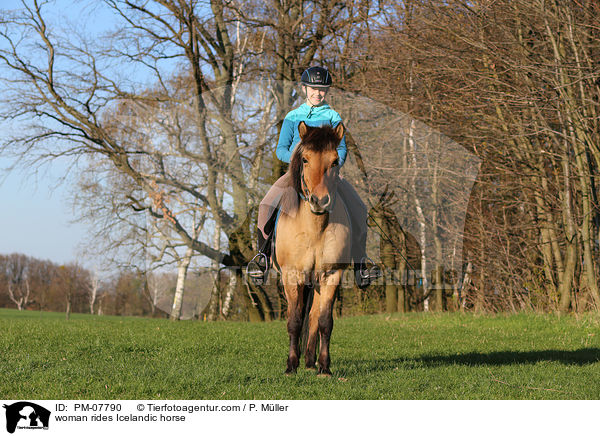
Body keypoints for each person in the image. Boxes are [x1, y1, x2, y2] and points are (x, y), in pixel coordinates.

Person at [246, 66, 380, 288]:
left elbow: (342, 149)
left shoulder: (333, 116)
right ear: (304, 88)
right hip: (297, 174)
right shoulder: (292, 117)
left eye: (322, 90)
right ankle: (262, 258)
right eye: (314, 89)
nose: (318, 94)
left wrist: (332, 166)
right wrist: (300, 159)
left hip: (328, 176)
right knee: (265, 205)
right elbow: (281, 149)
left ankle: (361, 264)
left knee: (359, 207)